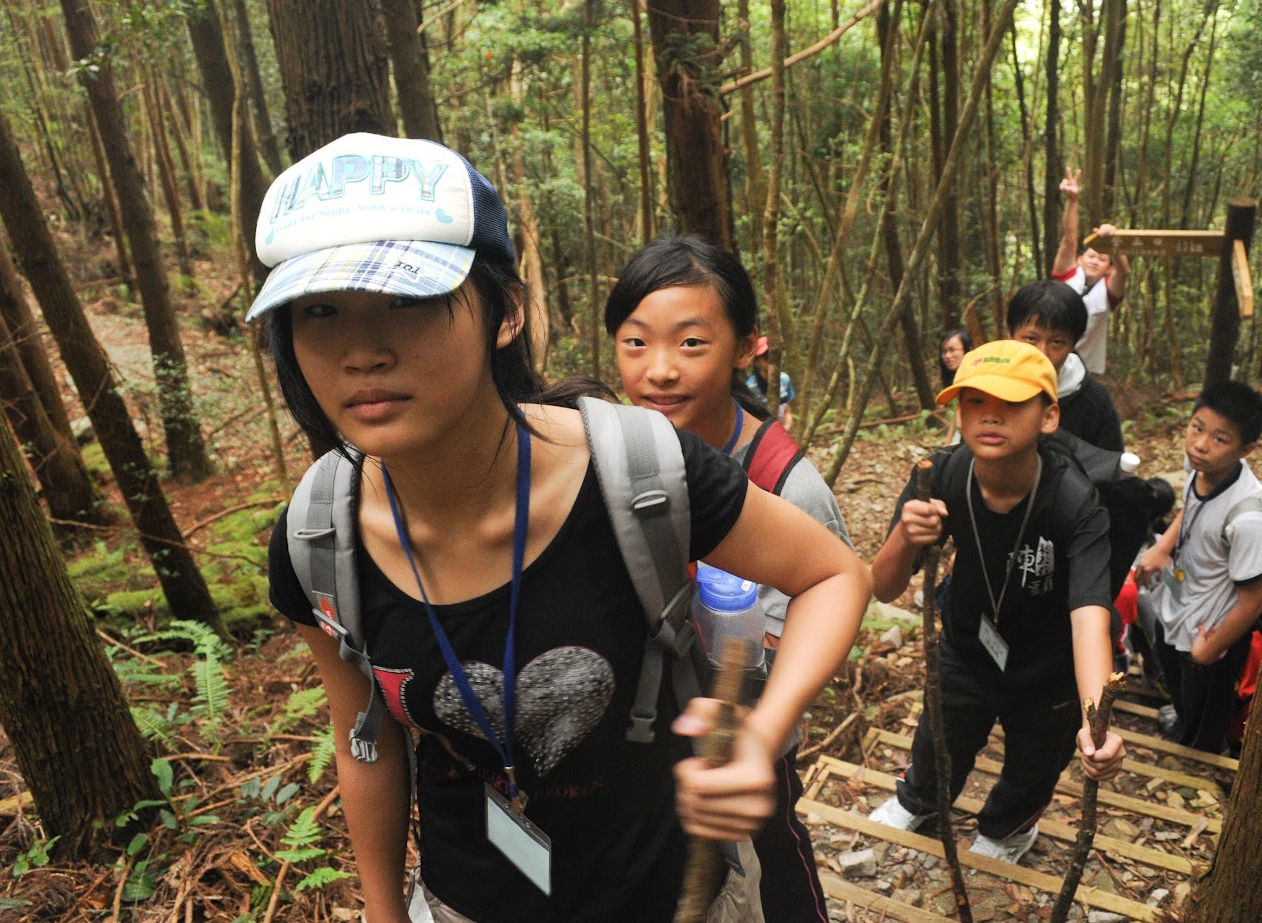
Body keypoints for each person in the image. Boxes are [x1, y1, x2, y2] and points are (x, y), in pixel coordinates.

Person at [252, 134, 870, 923]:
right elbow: (362, 738)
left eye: (407, 300)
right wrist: (382, 910)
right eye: (320, 311)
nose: (362, 351)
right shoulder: (317, 538)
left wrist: (760, 735)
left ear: (506, 311)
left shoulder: (636, 474)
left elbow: (833, 574)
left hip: (668, 900)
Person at [605, 234, 853, 923]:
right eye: (635, 343)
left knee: (777, 888)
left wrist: (756, 730)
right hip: (643, 757)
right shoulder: (612, 456)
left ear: (747, 347)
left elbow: (825, 609)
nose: (659, 370)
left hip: (745, 757)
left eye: (691, 344)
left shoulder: (786, 490)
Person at [866, 340, 1126, 863]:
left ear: (1048, 416)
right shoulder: (939, 476)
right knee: (941, 737)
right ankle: (919, 800)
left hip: (1050, 665)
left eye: (1011, 403)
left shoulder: (1075, 501)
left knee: (1035, 763)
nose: (990, 415)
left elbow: (1089, 620)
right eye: (975, 401)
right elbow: (884, 587)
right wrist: (906, 537)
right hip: (968, 643)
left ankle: (1008, 829)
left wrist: (1095, 722)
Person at [1132, 380, 1262, 755]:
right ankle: (1182, 721)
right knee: (1176, 680)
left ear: (1246, 449)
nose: (1200, 444)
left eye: (1219, 439)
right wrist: (1163, 546)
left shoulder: (1247, 518)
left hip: (1210, 629)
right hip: (1179, 601)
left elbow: (1253, 601)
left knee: (1206, 701)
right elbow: (1191, 508)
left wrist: (1209, 650)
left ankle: (1204, 750)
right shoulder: (1201, 467)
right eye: (1197, 428)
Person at [1006, 280, 1123, 453]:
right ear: (1010, 334)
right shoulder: (987, 387)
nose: (1042, 353)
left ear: (1073, 344)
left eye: (1057, 342)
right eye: (1031, 339)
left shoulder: (1094, 401)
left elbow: (1110, 463)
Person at [1050, 168, 1129, 375]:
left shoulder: (1108, 291)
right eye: (1091, 256)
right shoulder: (1068, 275)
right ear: (1080, 259)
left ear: (1109, 268)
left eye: (1102, 259)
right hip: (1051, 363)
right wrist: (1072, 200)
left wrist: (1114, 241)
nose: (1095, 261)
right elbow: (1069, 239)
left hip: (1086, 370)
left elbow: (1124, 271)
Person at [745, 337, 794, 430]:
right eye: (767, 358)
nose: (772, 361)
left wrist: (786, 426)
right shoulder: (750, 386)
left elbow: (787, 410)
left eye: (774, 357)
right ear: (757, 362)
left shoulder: (784, 380)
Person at [938, 329, 974, 445]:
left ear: (969, 350)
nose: (948, 356)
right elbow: (956, 415)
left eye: (952, 350)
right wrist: (947, 445)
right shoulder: (956, 380)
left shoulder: (975, 380)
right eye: (944, 351)